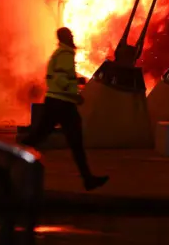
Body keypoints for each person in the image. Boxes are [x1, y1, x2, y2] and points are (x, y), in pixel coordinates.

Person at [20, 27, 109, 191]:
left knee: (40, 135)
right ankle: (87, 178)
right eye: (70, 35)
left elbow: (60, 75)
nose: (72, 37)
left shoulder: (60, 53)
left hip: (55, 101)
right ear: (65, 38)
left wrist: (77, 79)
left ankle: (12, 157)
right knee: (74, 141)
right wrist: (75, 94)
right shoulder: (66, 54)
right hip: (63, 103)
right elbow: (62, 79)